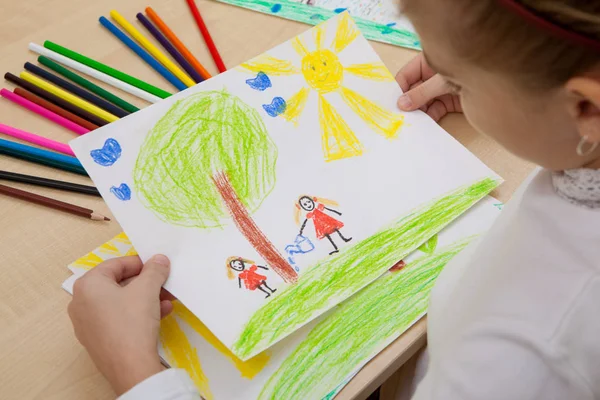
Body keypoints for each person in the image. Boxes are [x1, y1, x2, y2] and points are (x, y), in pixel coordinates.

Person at [67, 1, 600, 399]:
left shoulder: (519, 358)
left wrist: (137, 373)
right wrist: (503, 97)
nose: (437, 77)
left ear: (585, 108)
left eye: (456, 74)